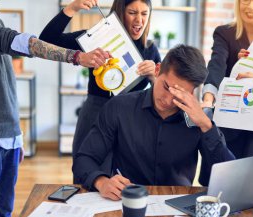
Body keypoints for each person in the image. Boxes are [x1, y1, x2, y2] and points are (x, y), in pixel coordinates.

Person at [0, 0, 109, 217]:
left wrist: (15, 135)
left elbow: (1, 86)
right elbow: (13, 40)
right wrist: (76, 56)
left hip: (7, 138)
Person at [73, 45, 235, 200]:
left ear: (192, 92)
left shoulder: (199, 120)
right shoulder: (119, 107)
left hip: (176, 209)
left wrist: (206, 125)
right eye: (166, 87)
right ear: (157, 70)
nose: (168, 100)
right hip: (125, 200)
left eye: (179, 93)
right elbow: (84, 159)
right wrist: (102, 182)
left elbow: (226, 178)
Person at [39, 0, 161, 182]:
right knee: (86, 177)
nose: (139, 20)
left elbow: (163, 95)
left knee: (125, 183)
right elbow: (46, 40)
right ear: (120, 13)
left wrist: (153, 78)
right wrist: (72, 8)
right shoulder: (95, 39)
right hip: (95, 116)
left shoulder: (150, 50)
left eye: (144, 13)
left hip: (131, 124)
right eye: (132, 13)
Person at [201, 0, 253, 160]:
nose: (251, 6)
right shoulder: (225, 33)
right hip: (230, 119)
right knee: (222, 174)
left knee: (251, 178)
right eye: (245, 0)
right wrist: (208, 97)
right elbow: (217, 64)